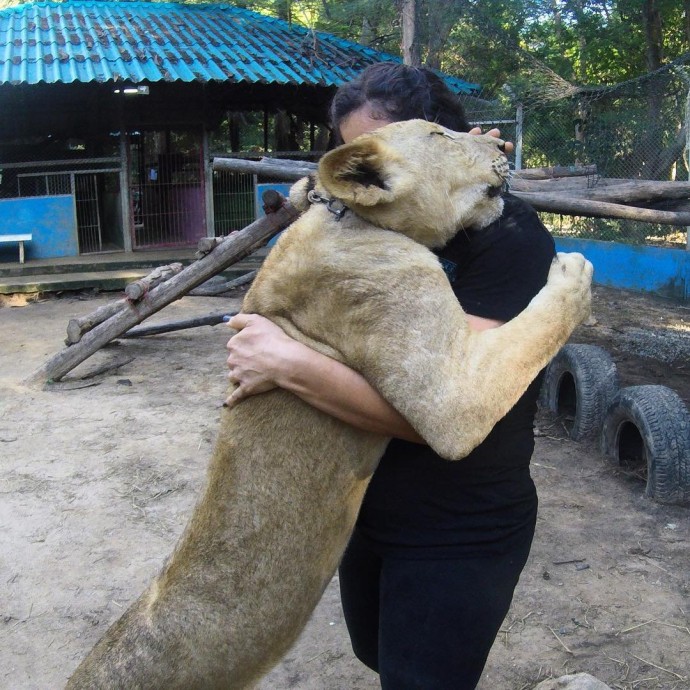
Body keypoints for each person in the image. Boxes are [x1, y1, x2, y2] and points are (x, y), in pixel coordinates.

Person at [225, 63, 556, 689]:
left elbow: (451, 410)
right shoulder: (367, 217)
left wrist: (287, 363)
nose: (375, 168)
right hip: (365, 507)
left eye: (396, 142)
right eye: (359, 153)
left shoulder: (508, 237)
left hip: (458, 526)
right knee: (377, 654)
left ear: (442, 138)